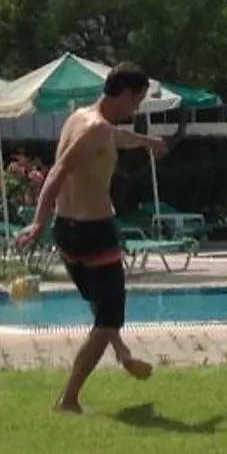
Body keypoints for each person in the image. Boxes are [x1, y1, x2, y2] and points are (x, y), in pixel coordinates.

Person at [14, 64, 167, 413]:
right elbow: (57, 172)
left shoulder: (80, 118)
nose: (137, 108)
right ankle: (68, 399)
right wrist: (37, 220)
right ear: (125, 94)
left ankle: (124, 355)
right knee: (109, 317)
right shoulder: (96, 129)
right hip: (94, 232)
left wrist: (145, 142)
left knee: (102, 307)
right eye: (138, 100)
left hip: (67, 231)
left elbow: (115, 136)